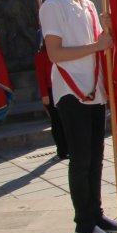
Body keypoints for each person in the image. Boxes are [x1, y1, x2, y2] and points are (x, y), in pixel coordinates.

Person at [39, 0, 117, 233]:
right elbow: (55, 53)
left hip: (94, 88)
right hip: (71, 91)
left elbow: (100, 44)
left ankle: (96, 213)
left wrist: (106, 32)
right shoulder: (53, 6)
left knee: (96, 158)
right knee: (81, 158)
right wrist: (96, 46)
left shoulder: (86, 4)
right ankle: (83, 223)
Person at [35, 30, 69, 160]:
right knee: (56, 122)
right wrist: (44, 95)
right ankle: (62, 150)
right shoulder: (41, 56)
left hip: (63, 88)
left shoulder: (61, 51)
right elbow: (41, 77)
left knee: (66, 120)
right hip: (50, 91)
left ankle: (70, 147)